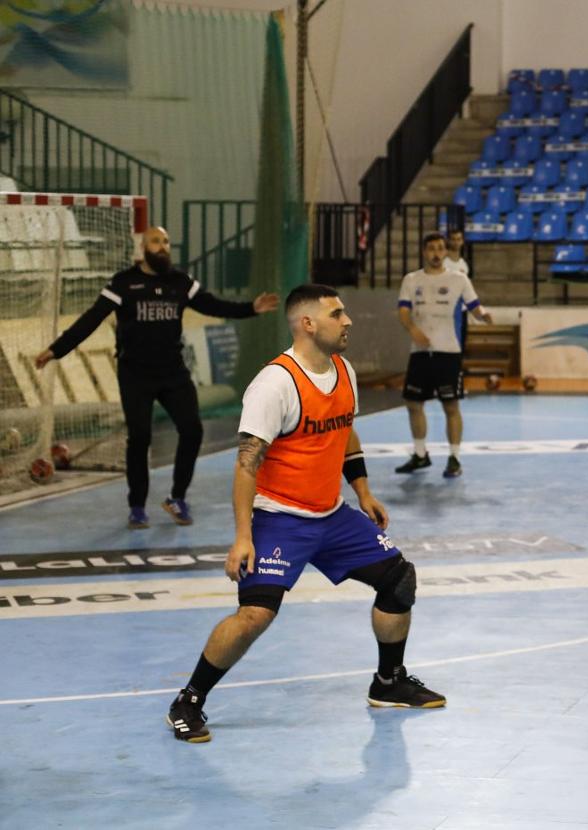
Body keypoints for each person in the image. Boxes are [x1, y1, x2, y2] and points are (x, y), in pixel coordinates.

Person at [166, 284, 445, 744]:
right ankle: (189, 699)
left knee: (398, 580)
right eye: (337, 314)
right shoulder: (275, 384)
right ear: (308, 324)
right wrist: (242, 536)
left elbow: (345, 433)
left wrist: (363, 491)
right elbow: (246, 464)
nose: (348, 321)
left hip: (332, 515)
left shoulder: (344, 370)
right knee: (255, 615)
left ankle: (389, 682)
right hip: (280, 518)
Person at [34, 226, 278, 529]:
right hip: (135, 374)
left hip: (173, 373)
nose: (162, 246)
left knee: (192, 430)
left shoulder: (180, 282)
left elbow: (213, 305)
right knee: (140, 438)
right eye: (156, 241)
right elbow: (90, 320)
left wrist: (251, 308)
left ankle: (178, 497)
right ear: (143, 248)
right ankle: (137, 506)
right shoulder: (123, 284)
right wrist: (55, 350)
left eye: (166, 242)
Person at [394, 233, 493, 478]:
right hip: (420, 353)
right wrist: (412, 329)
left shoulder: (459, 279)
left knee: (451, 405)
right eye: (431, 249)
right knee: (413, 403)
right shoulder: (411, 279)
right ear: (424, 252)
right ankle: (420, 455)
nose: (436, 253)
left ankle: (454, 458)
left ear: (445, 253)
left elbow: (474, 307)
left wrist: (483, 315)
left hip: (448, 351)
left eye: (440, 249)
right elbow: (404, 311)